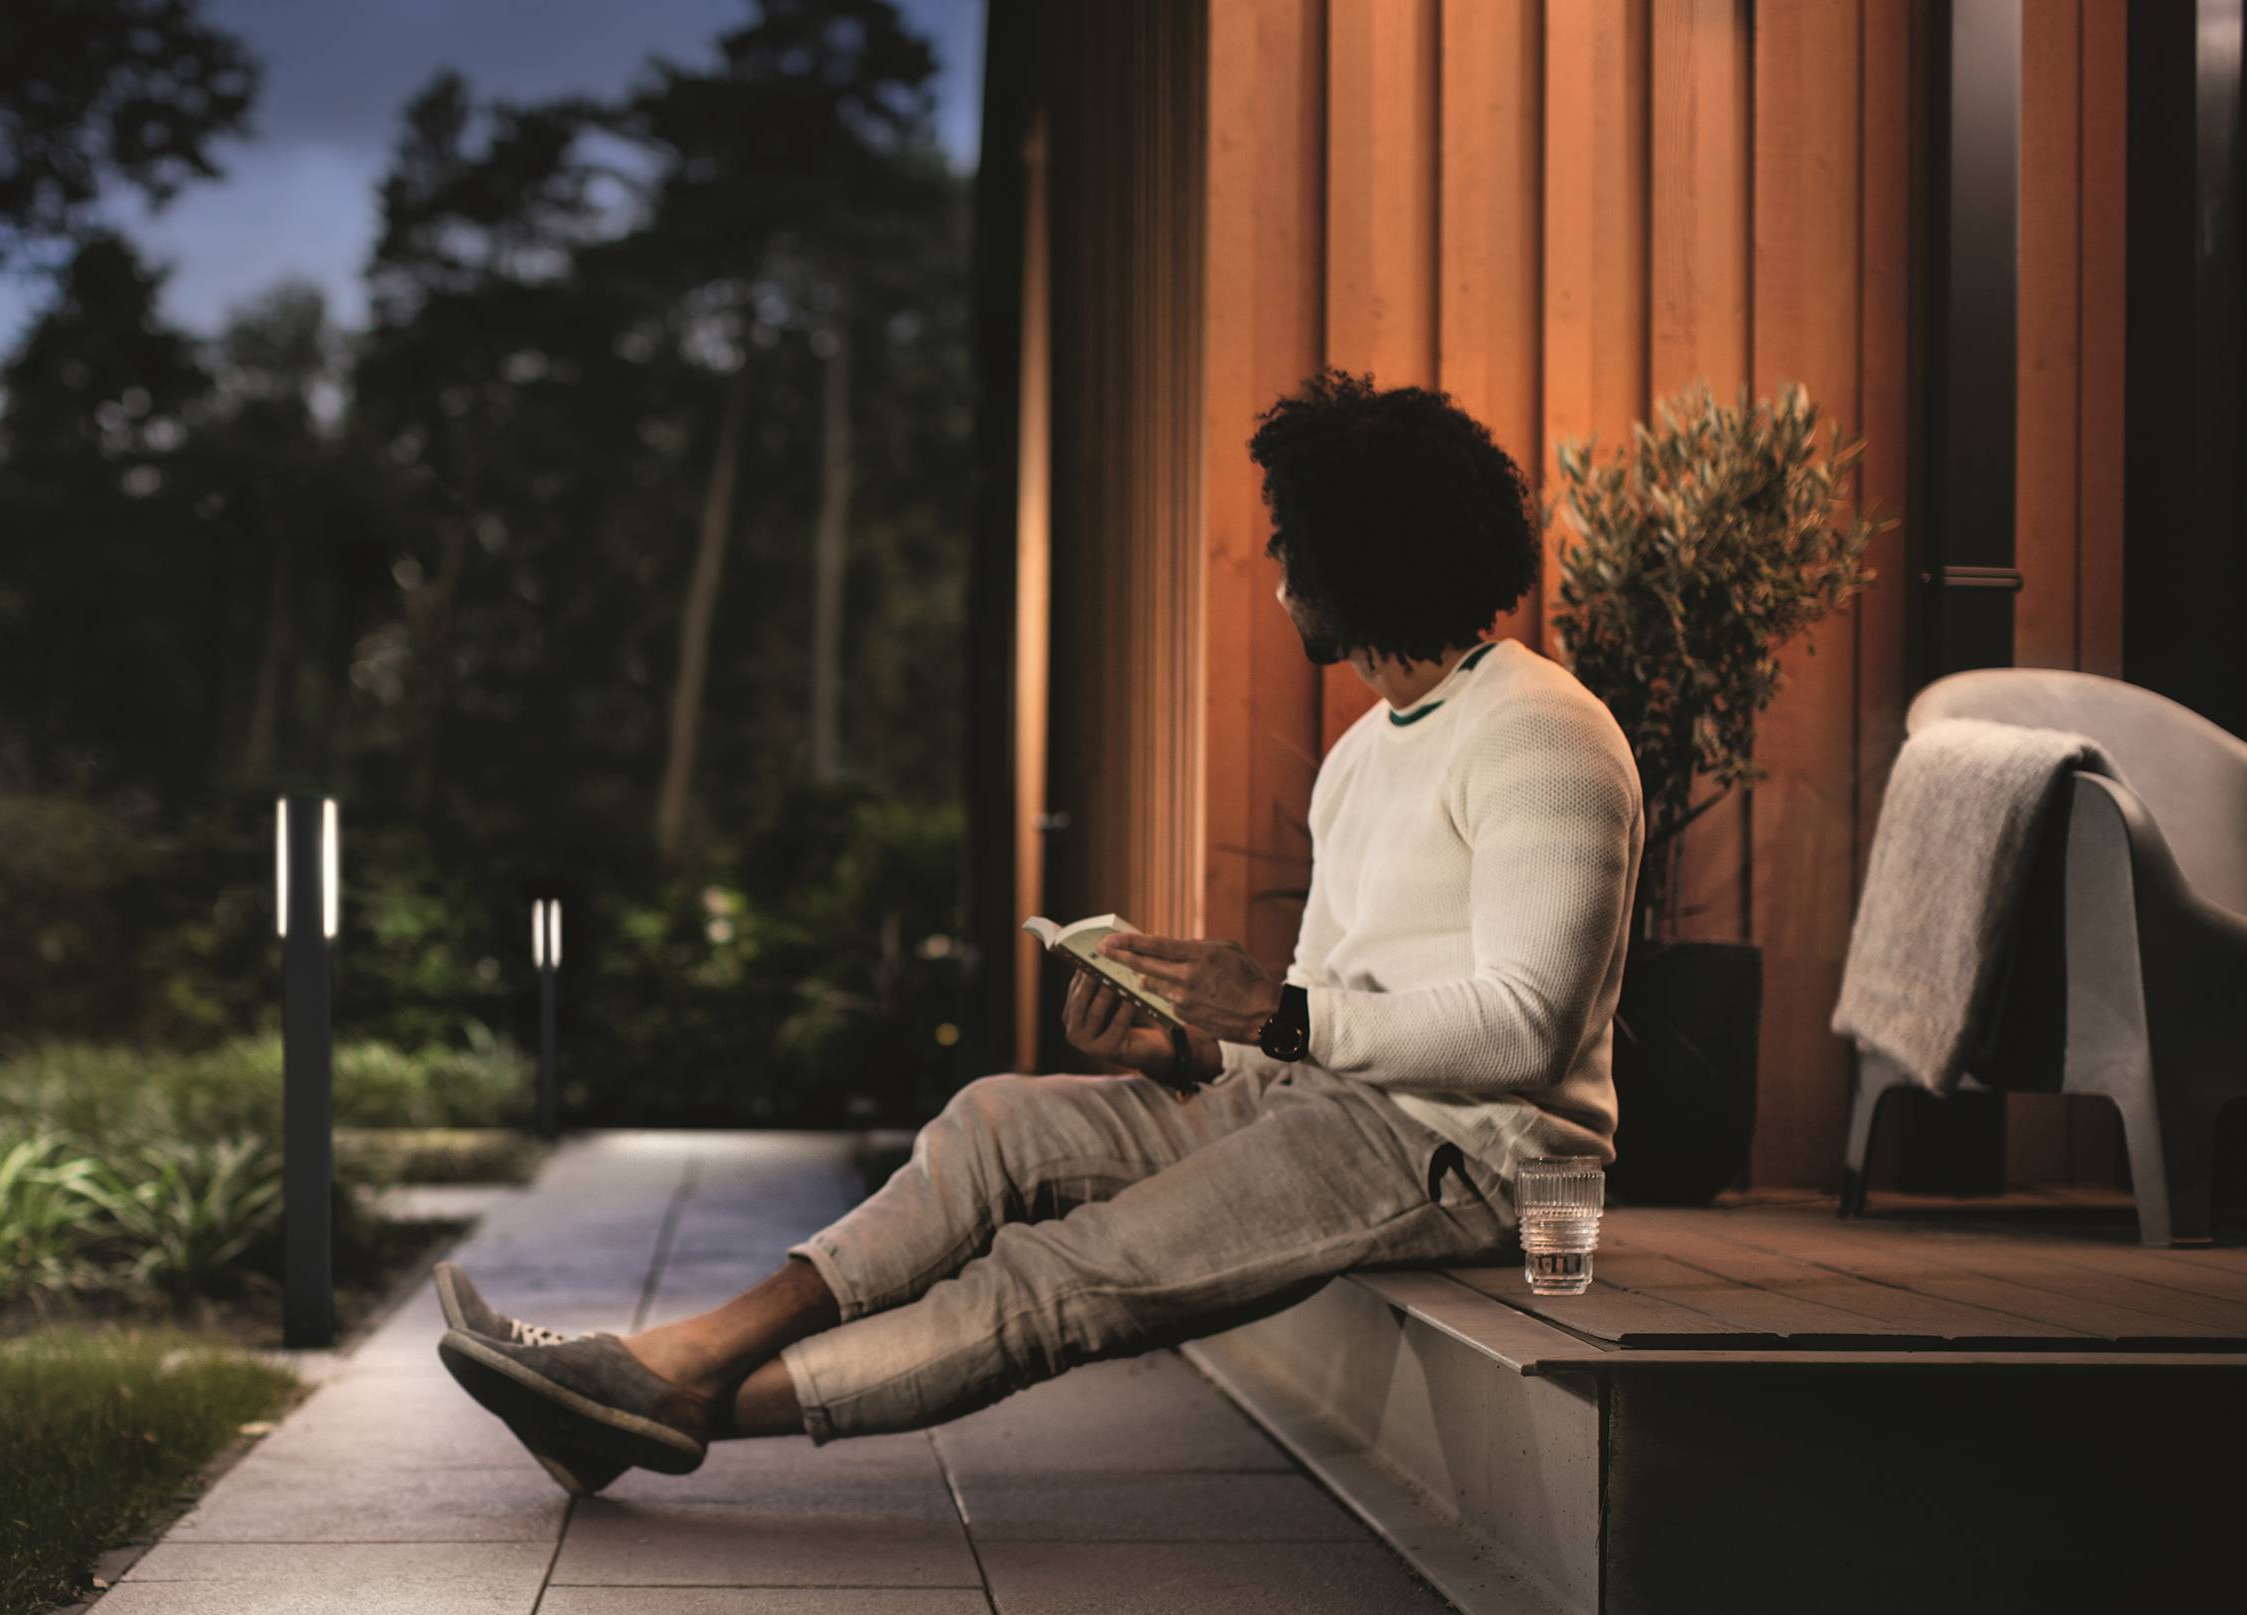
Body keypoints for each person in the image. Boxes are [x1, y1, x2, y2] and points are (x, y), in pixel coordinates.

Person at [434, 367, 1645, 1495]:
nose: (1277, 571)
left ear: (1364, 557)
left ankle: (666, 1401)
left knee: (1066, 1273)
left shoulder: (1542, 732)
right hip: (1322, 1107)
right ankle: (666, 1365)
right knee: (994, 1121)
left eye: (1293, 545)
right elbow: (1328, 1020)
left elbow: (1523, 1030)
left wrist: (1269, 1012)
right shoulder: (1360, 755)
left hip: (1467, 1157)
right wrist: (1187, 1052)